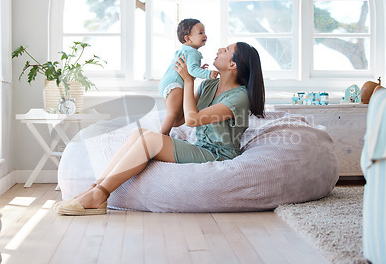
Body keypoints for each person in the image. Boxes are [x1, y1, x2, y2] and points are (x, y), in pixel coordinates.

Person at [54, 42, 265, 216]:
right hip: (199, 146)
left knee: (150, 141)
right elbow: (180, 119)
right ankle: (94, 189)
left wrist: (188, 80)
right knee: (140, 134)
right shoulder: (209, 85)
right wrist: (174, 90)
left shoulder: (239, 97)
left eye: (226, 51)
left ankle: (99, 195)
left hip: (218, 154)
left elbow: (193, 120)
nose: (219, 49)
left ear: (233, 65)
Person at [158, 18, 219, 135]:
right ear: (187, 38)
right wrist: (208, 74)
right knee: (172, 113)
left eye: (205, 32)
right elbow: (191, 70)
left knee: (175, 118)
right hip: (174, 85)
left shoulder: (185, 51)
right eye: (200, 33)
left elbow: (190, 69)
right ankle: (161, 136)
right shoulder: (192, 52)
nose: (205, 35)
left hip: (168, 83)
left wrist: (199, 69)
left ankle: (163, 135)